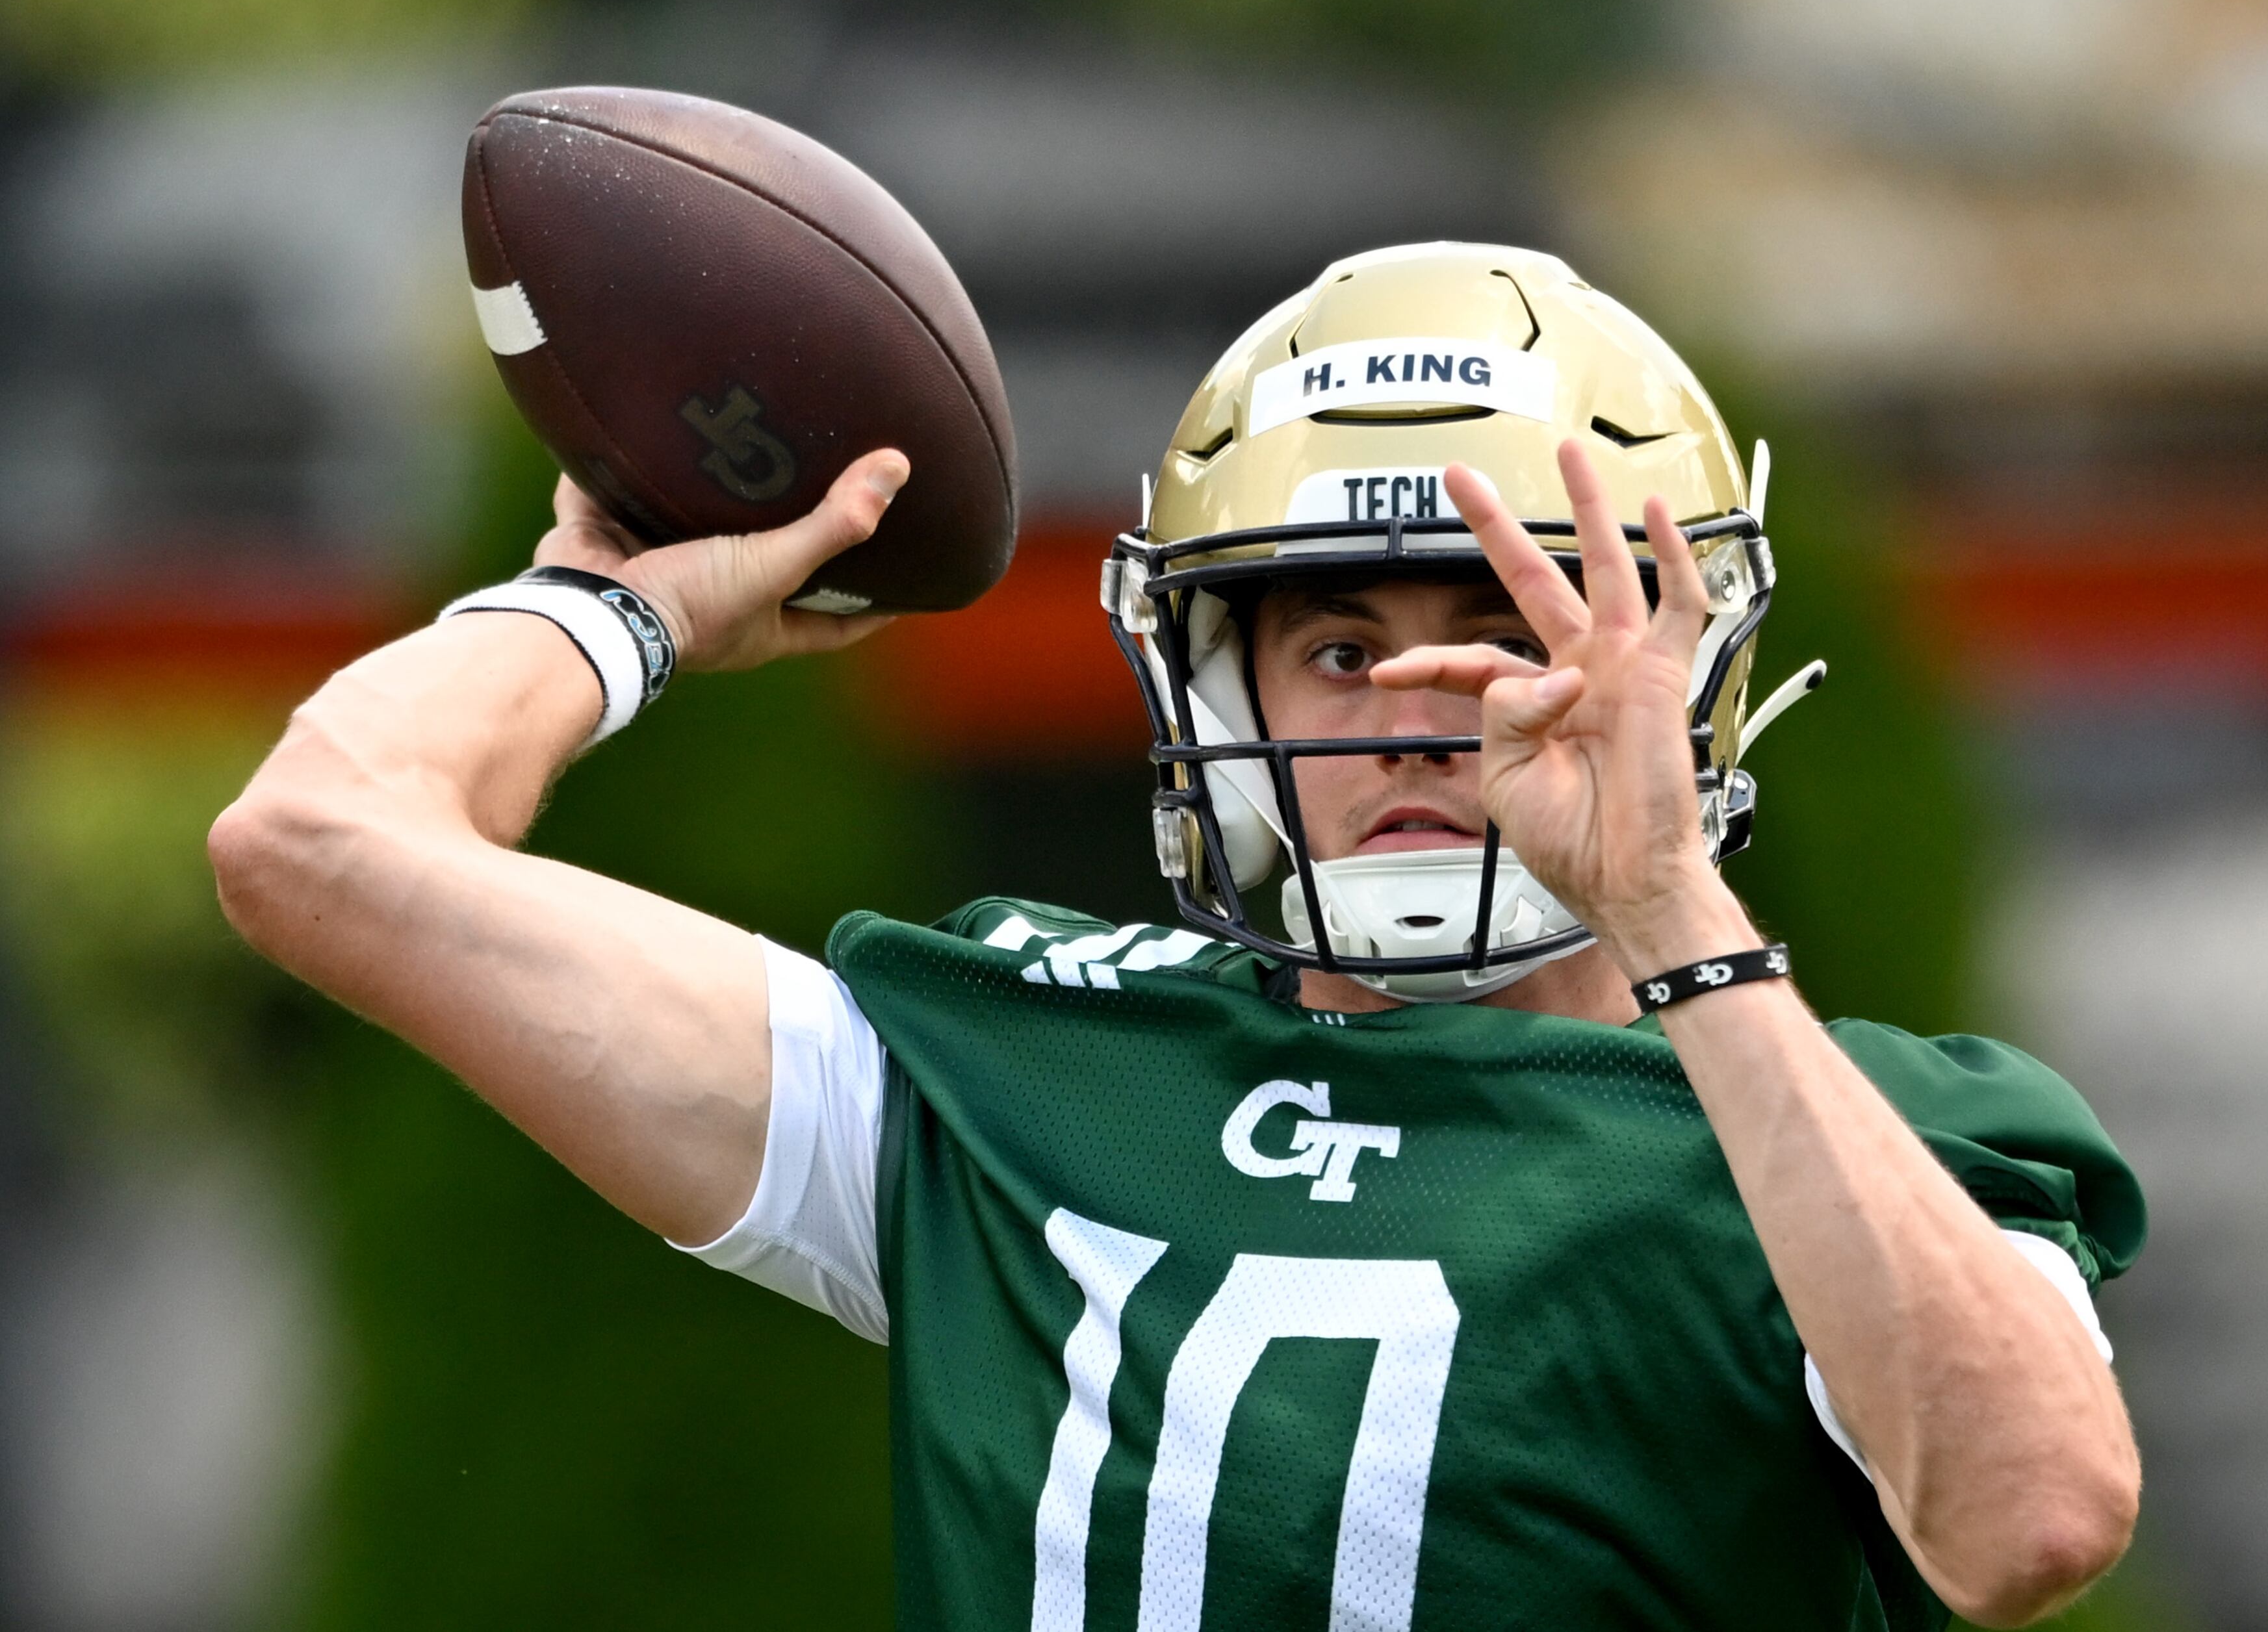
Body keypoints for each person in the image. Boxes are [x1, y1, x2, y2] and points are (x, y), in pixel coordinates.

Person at [209, 243, 2143, 1630]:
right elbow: (319, 841)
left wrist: (1671, 912)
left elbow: (2034, 1518)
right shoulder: (1020, 1077)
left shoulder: (1858, 1134)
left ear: (1673, 676)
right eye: (1335, 646)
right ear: (1219, 692)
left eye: (1512, 632)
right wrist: (608, 607)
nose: (1420, 707)